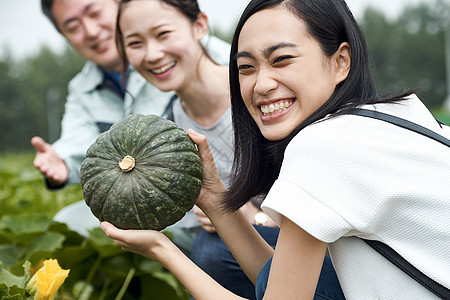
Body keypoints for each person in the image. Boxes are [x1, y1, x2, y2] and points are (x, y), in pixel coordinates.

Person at [102, 0, 450, 299]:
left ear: (341, 61)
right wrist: (211, 196)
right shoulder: (388, 114)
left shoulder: (322, 147)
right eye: (246, 67)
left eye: (281, 59)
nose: (261, 84)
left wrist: (162, 249)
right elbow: (278, 283)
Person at [113, 1, 311, 299]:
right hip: (247, 256)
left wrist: (254, 217)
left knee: (211, 253)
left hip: (312, 243)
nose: (152, 54)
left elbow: (318, 196)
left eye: (163, 34)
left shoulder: (267, 96)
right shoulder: (166, 131)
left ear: (200, 26)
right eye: (135, 43)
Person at [31, 0, 230, 191]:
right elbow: (76, 142)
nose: (91, 31)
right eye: (73, 27)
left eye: (95, 13)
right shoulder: (81, 89)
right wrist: (62, 162)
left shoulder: (191, 49)